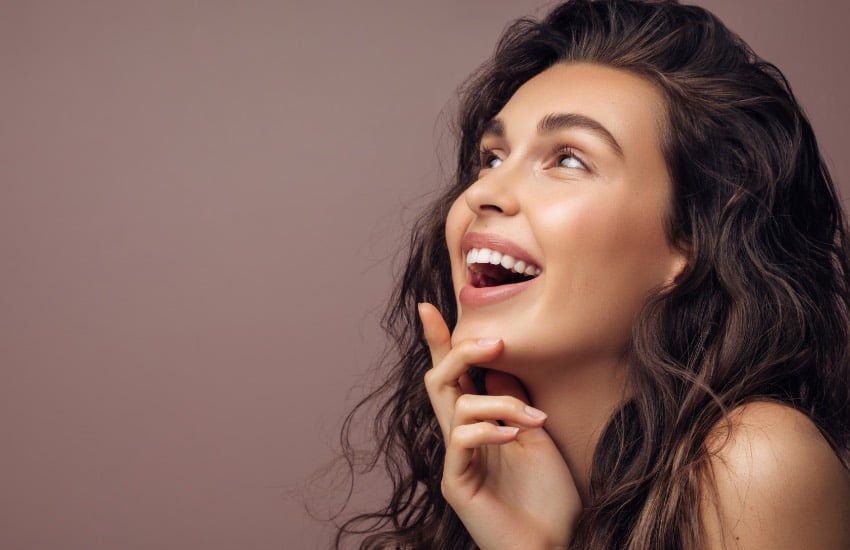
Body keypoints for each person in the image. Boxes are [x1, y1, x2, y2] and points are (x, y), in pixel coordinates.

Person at [330, 0, 850, 547]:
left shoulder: (755, 461)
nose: (482, 192)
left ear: (691, 241)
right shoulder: (485, 488)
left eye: (569, 159)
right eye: (493, 158)